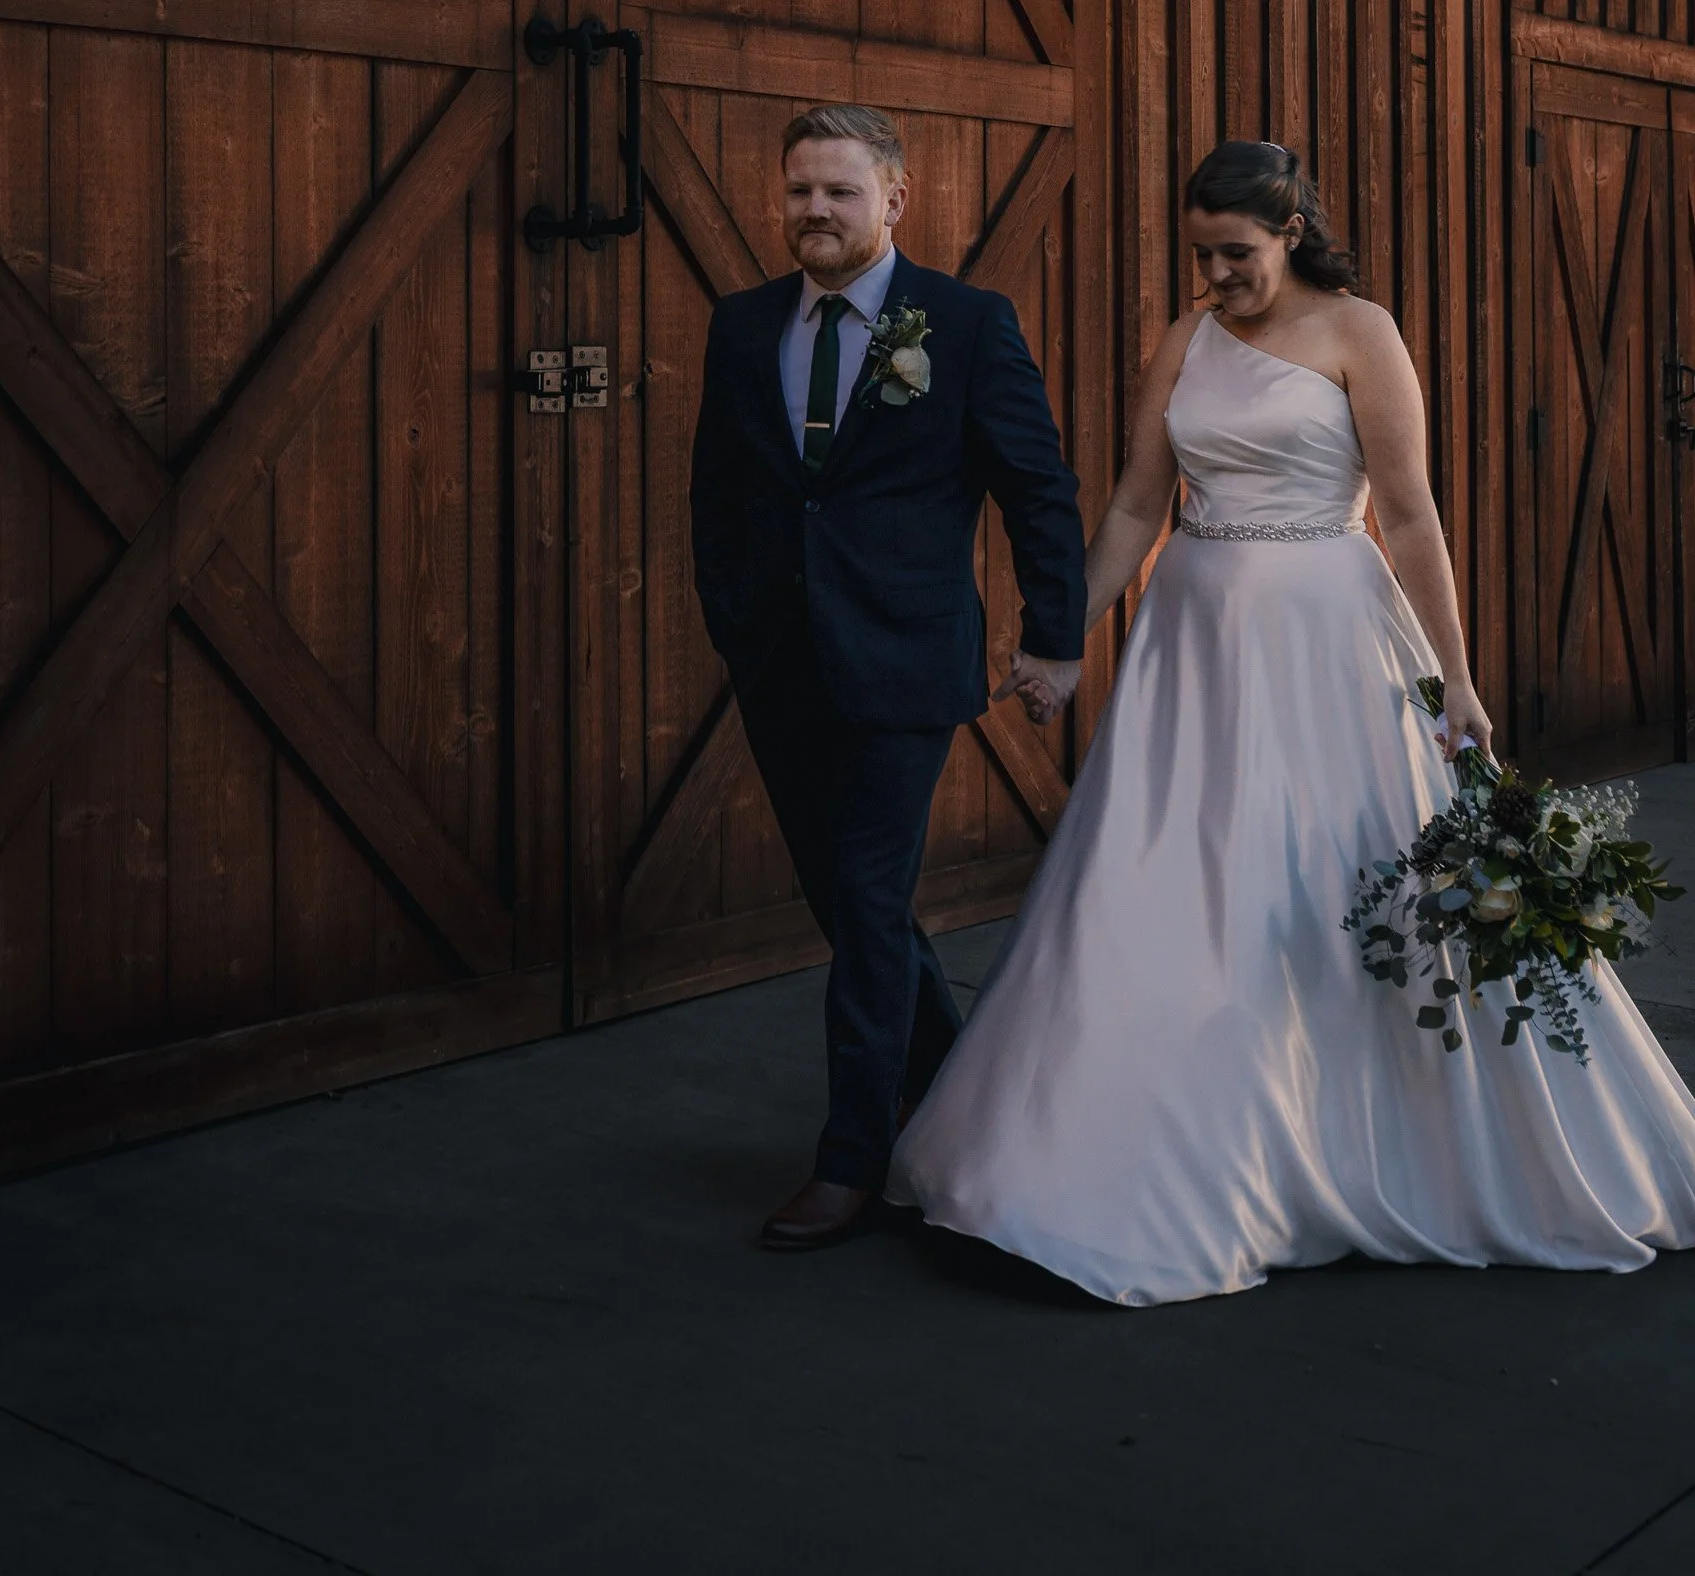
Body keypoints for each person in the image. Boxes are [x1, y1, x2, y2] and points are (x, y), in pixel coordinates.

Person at [889, 139, 1695, 1304]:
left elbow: (1410, 518)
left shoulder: (1358, 332)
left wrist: (1456, 679)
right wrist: (1061, 637)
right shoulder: (1185, 336)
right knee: (1170, 880)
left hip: (1327, 632)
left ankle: (1346, 1138)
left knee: (1334, 876)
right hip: (1193, 642)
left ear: (1289, 232)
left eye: (1238, 255)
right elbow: (1130, 502)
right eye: (1201, 255)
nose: (1218, 276)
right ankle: (1129, 1149)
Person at [688, 103, 1087, 1251]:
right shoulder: (740, 325)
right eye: (799, 189)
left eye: (841, 191)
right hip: (778, 660)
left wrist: (1051, 635)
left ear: (894, 201)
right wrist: (733, 621)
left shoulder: (960, 326)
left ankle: (854, 1158)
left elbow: (1036, 489)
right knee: (845, 901)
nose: (815, 210)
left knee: (864, 901)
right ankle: (962, 1085)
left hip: (904, 661)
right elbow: (718, 491)